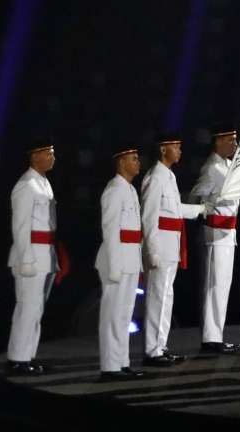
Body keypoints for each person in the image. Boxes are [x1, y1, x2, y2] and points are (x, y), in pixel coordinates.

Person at [141, 132, 208, 365]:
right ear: (163, 149)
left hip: (171, 247)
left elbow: (175, 209)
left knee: (166, 298)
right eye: (176, 147)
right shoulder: (155, 178)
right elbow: (149, 218)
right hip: (161, 247)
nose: (180, 151)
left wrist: (200, 210)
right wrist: (152, 250)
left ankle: (160, 346)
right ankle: (152, 351)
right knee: (157, 298)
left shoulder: (168, 176)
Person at [5, 138, 59, 375]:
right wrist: (25, 258)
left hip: (44, 253)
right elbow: (20, 226)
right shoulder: (26, 185)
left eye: (52, 153)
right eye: (48, 154)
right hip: (31, 256)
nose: (52, 158)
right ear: (35, 156)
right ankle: (17, 358)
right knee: (27, 307)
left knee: (36, 309)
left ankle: (27, 355)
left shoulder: (43, 183)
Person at [95, 143, 147, 380]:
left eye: (137, 158)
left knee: (125, 314)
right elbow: (111, 230)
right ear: (121, 163)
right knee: (113, 314)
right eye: (133, 158)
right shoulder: (114, 190)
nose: (138, 162)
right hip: (116, 260)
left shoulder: (129, 189)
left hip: (129, 258)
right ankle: (110, 366)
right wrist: (115, 265)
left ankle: (121, 361)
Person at [190, 124, 240, 354]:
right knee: (214, 285)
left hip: (228, 233)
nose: (235, 144)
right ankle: (210, 338)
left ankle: (216, 336)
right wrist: (205, 208)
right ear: (218, 141)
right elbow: (195, 194)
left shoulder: (229, 165)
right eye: (230, 140)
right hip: (215, 233)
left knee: (223, 286)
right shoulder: (211, 168)